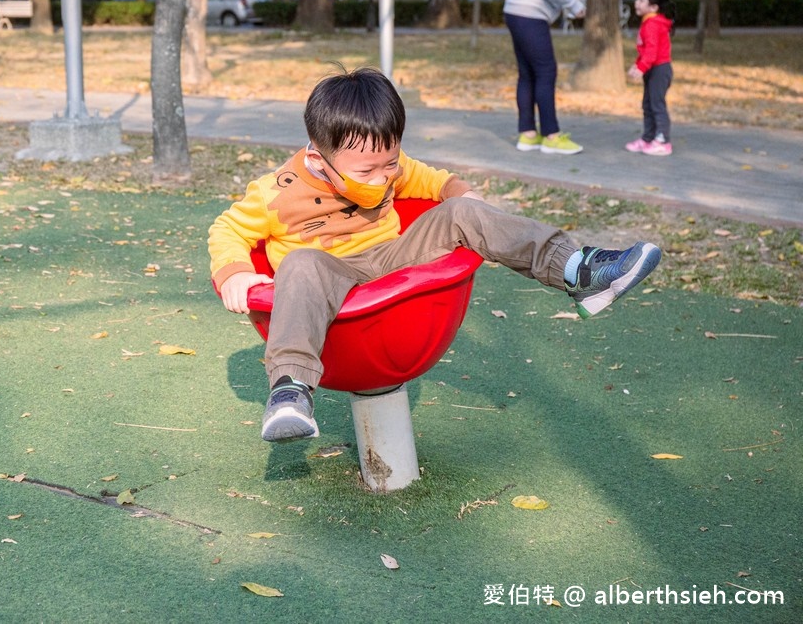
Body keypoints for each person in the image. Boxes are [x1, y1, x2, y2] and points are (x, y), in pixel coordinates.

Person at [208, 66, 662, 443]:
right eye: (367, 170)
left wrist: (462, 194)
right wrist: (234, 273)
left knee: (463, 211)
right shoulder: (277, 193)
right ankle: (290, 391)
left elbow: (431, 180)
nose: (384, 177)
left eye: (391, 163)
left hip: (391, 256)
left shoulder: (390, 168)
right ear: (318, 159)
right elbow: (227, 228)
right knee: (300, 263)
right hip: (327, 275)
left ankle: (578, 270)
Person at [503, 0, 593, 155]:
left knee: (527, 74)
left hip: (516, 9)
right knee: (546, 72)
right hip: (531, 11)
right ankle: (551, 136)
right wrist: (575, 4)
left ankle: (528, 134)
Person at [626, 0, 674, 157]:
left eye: (641, 0)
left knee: (656, 105)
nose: (636, 3)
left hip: (659, 70)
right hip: (652, 70)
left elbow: (652, 52)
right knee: (648, 105)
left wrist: (642, 67)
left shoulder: (652, 24)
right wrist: (637, 64)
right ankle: (648, 138)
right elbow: (645, 51)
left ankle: (663, 141)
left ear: (654, 7)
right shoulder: (649, 22)